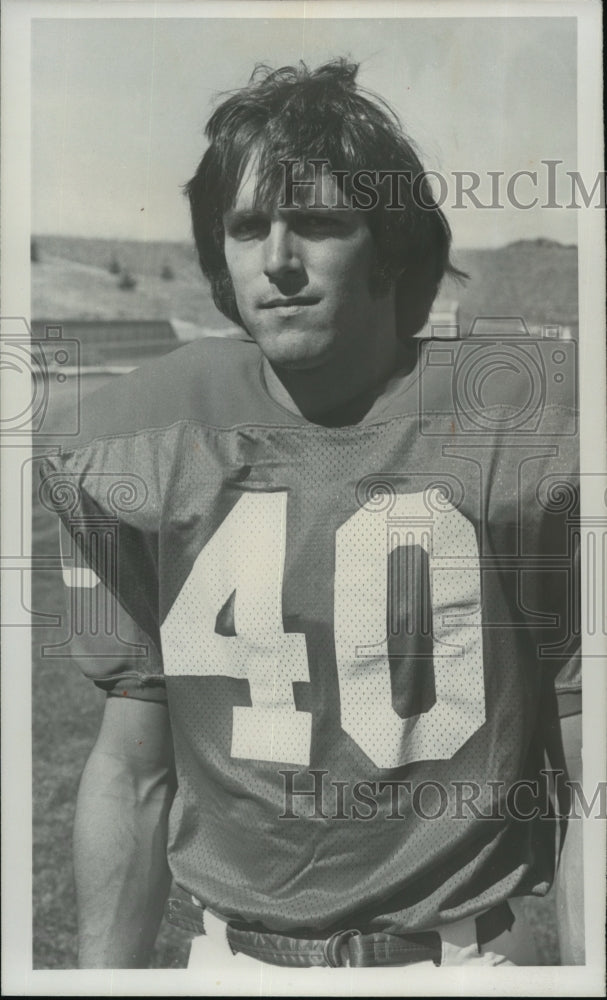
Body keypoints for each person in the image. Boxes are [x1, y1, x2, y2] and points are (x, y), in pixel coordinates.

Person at [40, 59, 582, 975]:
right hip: (230, 963)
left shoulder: (527, 433)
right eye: (248, 227)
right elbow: (132, 769)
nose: (279, 260)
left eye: (321, 221)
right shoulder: (122, 446)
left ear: (394, 246)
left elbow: (585, 768)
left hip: (460, 962)